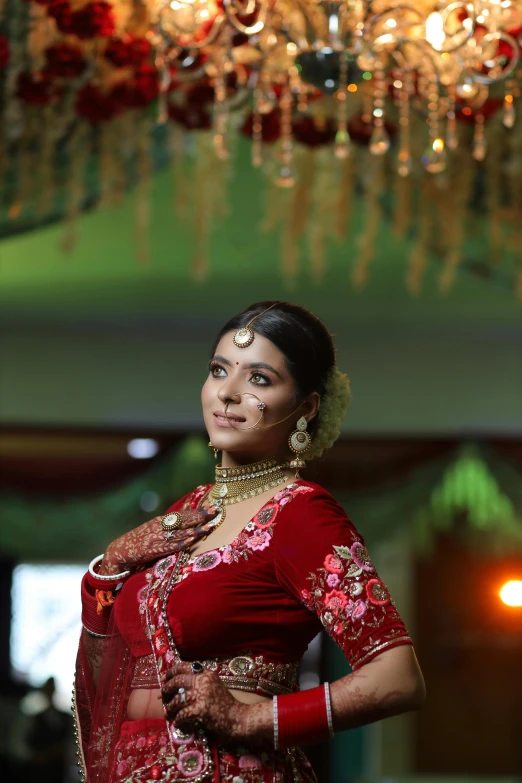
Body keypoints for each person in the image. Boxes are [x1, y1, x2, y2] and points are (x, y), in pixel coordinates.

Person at [74, 301, 426, 783]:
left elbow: (398, 679)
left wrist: (248, 719)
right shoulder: (186, 513)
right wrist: (110, 565)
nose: (228, 393)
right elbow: (109, 673)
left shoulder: (299, 513)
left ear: (306, 407)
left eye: (259, 378)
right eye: (219, 370)